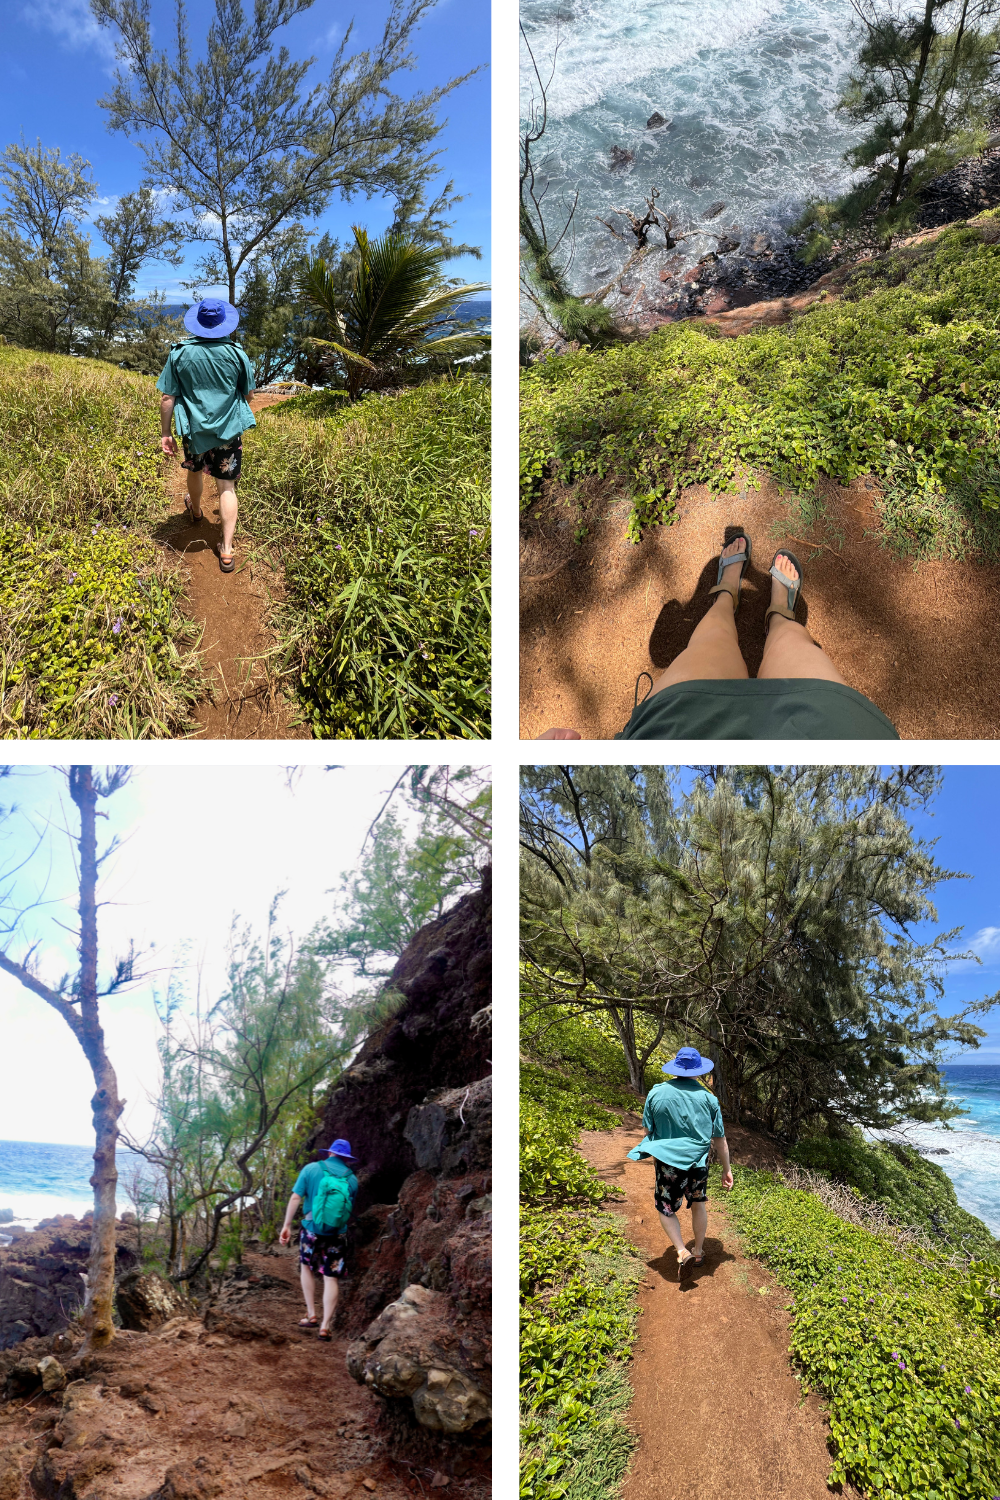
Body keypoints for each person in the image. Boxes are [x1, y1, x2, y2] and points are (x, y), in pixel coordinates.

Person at [536, 532, 899, 739]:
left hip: (678, 730)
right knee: (792, 645)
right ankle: (775, 610)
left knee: (712, 644)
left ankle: (727, 594)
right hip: (831, 731)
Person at [156, 297, 256, 574]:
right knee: (227, 487)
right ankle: (226, 549)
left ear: (197, 323)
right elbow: (248, 394)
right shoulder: (237, 354)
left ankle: (197, 512)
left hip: (194, 430)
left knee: (196, 471)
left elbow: (168, 397)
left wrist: (166, 433)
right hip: (228, 430)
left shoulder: (179, 353)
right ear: (223, 324)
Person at [627, 1047, 733, 1274]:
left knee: (666, 1207)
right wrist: (727, 1169)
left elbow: (647, 1130)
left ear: (675, 1068)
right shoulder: (709, 1099)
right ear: (698, 1071)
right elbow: (720, 1140)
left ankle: (681, 1250)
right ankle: (698, 1252)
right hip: (698, 1162)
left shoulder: (656, 1093)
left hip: (668, 1163)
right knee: (698, 1203)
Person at [278, 1137, 358, 1341]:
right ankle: (325, 1326)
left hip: (311, 1230)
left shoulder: (311, 1169)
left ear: (330, 1152)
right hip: (336, 1234)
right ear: (346, 1158)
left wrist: (286, 1225)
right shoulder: (352, 1179)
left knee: (306, 1267)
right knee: (330, 1277)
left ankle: (311, 1315)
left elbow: (296, 1197)